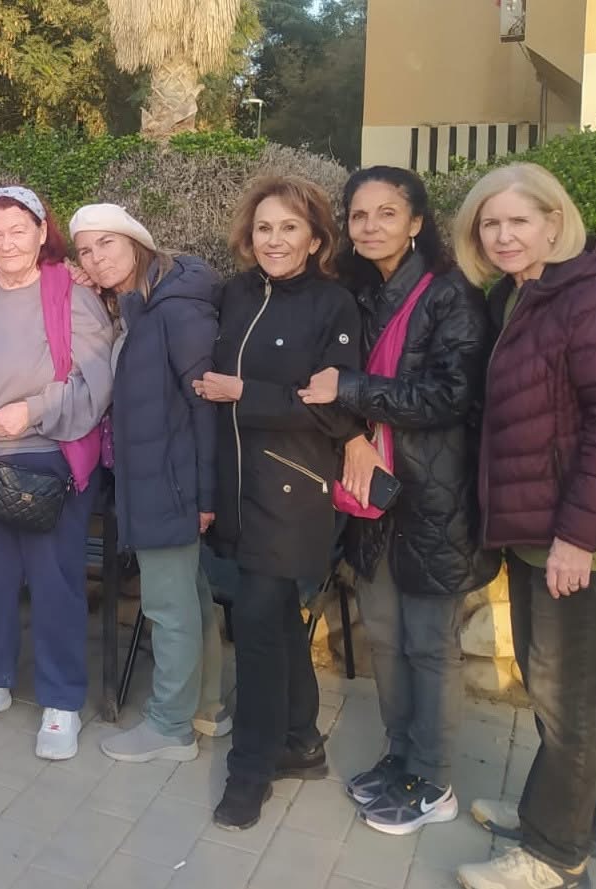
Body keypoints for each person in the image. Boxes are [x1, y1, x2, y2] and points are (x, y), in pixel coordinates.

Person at [451, 163, 596, 889]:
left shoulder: (593, 297)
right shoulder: (518, 295)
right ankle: (582, 812)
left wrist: (577, 538)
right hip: (536, 523)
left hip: (584, 534)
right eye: (489, 223)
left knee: (567, 697)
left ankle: (555, 854)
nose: (502, 235)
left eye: (518, 220)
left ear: (554, 221)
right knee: (550, 683)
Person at [298, 166, 501, 835]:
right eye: (358, 215)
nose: (370, 226)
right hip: (372, 491)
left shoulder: (450, 294)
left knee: (428, 645)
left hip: (435, 496)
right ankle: (399, 758)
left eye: (387, 213)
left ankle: (433, 781)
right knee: (384, 634)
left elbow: (449, 396)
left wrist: (353, 391)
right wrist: (354, 431)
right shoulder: (354, 293)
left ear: (416, 222)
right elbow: (321, 385)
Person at [194, 176, 361, 830]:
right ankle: (301, 739)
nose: (274, 239)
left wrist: (245, 393)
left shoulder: (333, 305)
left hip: (292, 494)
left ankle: (250, 771)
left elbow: (335, 414)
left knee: (258, 630)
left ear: (315, 238)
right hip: (236, 490)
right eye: (264, 227)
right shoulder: (235, 293)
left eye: (289, 227)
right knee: (275, 620)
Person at [0, 186, 113, 760]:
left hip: (43, 456)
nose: (6, 242)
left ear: (42, 233)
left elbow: (95, 379)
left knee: (54, 580)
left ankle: (62, 700)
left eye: (19, 230)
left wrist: (32, 411)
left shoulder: (70, 292)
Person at [68, 203, 221, 762]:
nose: (96, 258)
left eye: (106, 243)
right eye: (85, 251)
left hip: (170, 480)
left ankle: (170, 727)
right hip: (160, 474)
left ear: (136, 241)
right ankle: (206, 709)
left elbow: (206, 404)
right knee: (191, 596)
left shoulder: (175, 310)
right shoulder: (145, 301)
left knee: (167, 606)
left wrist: (205, 494)